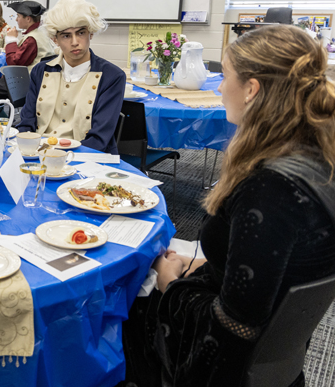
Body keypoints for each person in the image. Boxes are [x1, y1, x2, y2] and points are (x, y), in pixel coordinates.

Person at [122, 25, 335, 387]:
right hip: (276, 350)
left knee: (121, 305)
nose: (219, 87)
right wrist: (202, 265)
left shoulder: (270, 189)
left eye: (225, 75)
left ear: (252, 89)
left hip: (229, 366)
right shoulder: (316, 157)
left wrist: (172, 284)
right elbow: (273, 264)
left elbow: (236, 325)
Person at [15, 0, 125, 154]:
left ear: (90, 34)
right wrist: (26, 148)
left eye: (81, 33)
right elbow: (27, 122)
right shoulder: (40, 72)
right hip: (39, 153)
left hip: (88, 157)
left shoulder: (112, 76)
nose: (75, 42)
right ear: (55, 39)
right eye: (66, 36)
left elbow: (100, 138)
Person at [0, 0, 55, 101]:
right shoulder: (41, 33)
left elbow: (14, 62)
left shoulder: (31, 39)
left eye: (18, 16)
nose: (16, 19)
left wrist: (11, 40)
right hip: (40, 81)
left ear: (28, 19)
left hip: (27, 84)